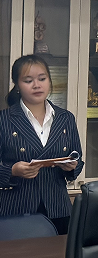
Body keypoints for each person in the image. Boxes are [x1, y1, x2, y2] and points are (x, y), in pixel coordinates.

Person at [0, 55, 83, 234]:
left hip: (58, 209)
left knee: (60, 252)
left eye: (42, 79)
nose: (36, 85)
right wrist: (12, 170)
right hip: (16, 211)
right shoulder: (4, 120)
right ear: (17, 85)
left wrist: (71, 166)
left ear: (49, 81)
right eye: (28, 80)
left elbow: (78, 158)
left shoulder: (65, 118)